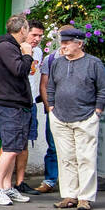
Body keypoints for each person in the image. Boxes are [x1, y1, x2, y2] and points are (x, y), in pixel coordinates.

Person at [45, 26, 105, 210]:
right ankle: (69, 195)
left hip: (86, 117)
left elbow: (102, 89)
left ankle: (85, 198)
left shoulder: (94, 63)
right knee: (66, 158)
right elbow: (51, 87)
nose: (62, 46)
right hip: (60, 117)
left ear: (79, 44)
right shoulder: (57, 63)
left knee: (86, 157)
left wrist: (97, 110)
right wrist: (51, 107)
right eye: (62, 42)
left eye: (66, 43)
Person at [0, 14, 35, 206]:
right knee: (9, 149)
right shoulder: (6, 47)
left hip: (19, 106)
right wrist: (27, 54)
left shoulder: (12, 47)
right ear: (23, 29)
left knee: (15, 148)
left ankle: (7, 187)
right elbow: (19, 70)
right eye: (28, 29)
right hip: (10, 107)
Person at [17, 20, 45, 193]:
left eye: (40, 36)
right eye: (34, 34)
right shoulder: (15, 50)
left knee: (25, 144)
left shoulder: (39, 52)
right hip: (14, 103)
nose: (37, 39)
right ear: (25, 32)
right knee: (9, 145)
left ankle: (20, 182)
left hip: (31, 103)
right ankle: (3, 183)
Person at [36, 28, 60, 194]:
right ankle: (50, 180)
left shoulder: (87, 61)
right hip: (54, 110)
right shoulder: (50, 59)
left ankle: (74, 184)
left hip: (77, 112)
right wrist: (49, 107)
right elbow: (43, 85)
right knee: (53, 146)